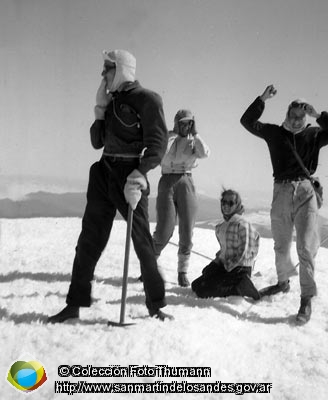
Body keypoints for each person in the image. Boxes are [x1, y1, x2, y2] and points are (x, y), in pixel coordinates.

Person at [48, 49, 170, 323]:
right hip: (103, 171)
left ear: (123, 69)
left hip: (130, 174)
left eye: (108, 68)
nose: (103, 74)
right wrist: (100, 111)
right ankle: (74, 304)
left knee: (142, 241)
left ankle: (156, 304)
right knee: (88, 240)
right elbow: (96, 142)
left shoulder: (148, 99)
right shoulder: (111, 100)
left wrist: (140, 174)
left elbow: (158, 143)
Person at [240, 84, 328, 324]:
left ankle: (306, 298)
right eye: (293, 116)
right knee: (281, 243)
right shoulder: (275, 133)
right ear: (287, 115)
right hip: (282, 190)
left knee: (305, 248)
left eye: (301, 117)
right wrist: (262, 99)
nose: (297, 121)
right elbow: (247, 121)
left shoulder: (314, 134)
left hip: (306, 193)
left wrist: (319, 115)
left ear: (306, 117)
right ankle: (282, 282)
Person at [152, 109, 210, 287]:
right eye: (183, 123)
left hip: (186, 180)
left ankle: (182, 271)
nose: (186, 126)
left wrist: (196, 134)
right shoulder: (167, 137)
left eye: (189, 123)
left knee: (187, 228)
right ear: (176, 123)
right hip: (167, 180)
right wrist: (173, 135)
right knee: (164, 229)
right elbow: (161, 152)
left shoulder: (194, 140)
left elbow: (205, 153)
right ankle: (149, 266)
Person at [191, 189, 260, 300]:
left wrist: (226, 268)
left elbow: (244, 252)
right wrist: (216, 263)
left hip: (239, 269)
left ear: (237, 205)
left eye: (230, 203)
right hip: (226, 265)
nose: (226, 206)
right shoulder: (223, 226)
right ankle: (229, 283)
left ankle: (240, 286)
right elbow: (224, 250)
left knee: (202, 291)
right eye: (224, 202)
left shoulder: (242, 225)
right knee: (196, 285)